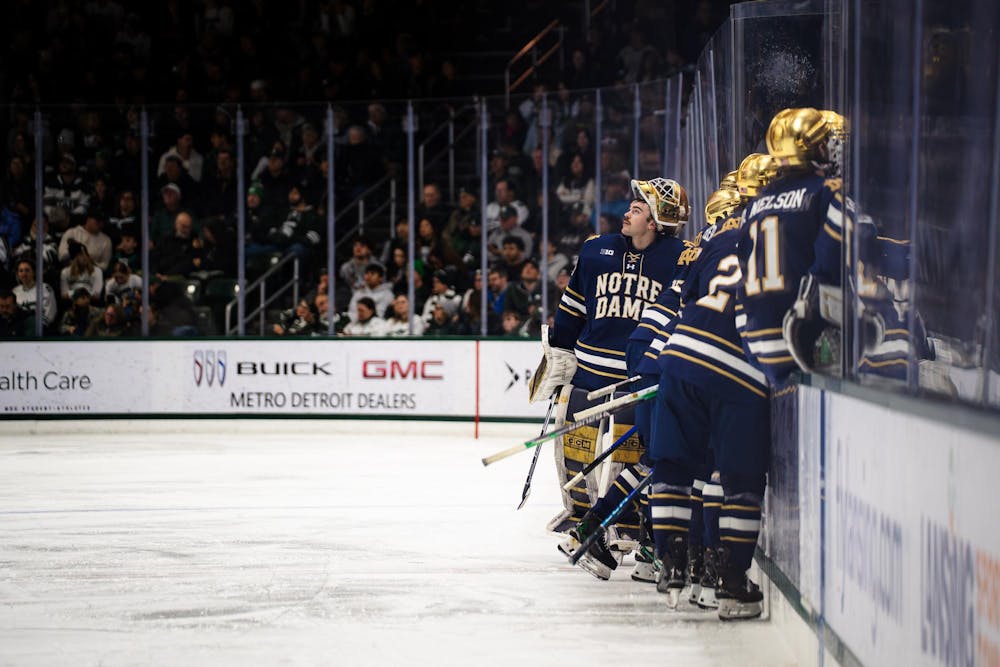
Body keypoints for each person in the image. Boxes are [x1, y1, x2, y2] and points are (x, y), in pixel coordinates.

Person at [527, 178, 689, 550]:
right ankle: (580, 514)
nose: (628, 211)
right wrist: (559, 352)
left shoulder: (680, 258)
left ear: (656, 222)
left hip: (635, 377)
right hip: (588, 371)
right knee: (574, 449)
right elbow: (572, 310)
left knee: (624, 456)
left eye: (638, 208)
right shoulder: (597, 250)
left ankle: (626, 523)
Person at [12, 259, 57, 329]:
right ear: (18, 274)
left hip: (41, 329)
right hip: (19, 329)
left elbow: (51, 311)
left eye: (27, 270)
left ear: (33, 272)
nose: (24, 274)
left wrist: (38, 326)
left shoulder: (45, 288)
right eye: (21, 271)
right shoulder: (15, 291)